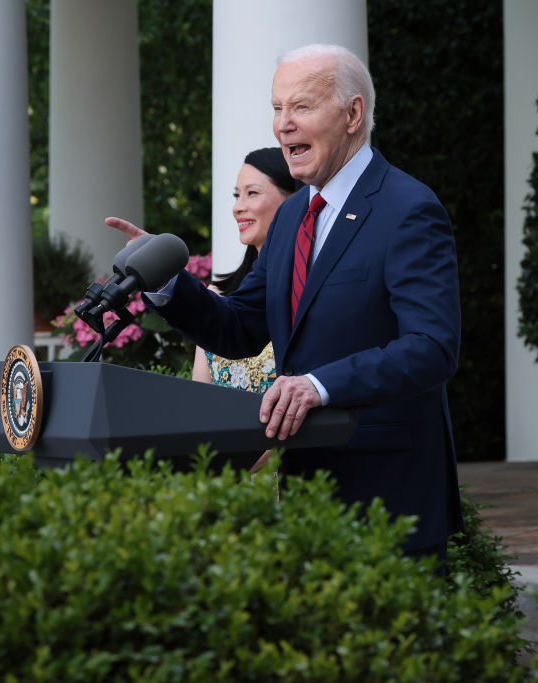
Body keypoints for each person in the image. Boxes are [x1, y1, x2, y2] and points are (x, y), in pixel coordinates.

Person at [107, 44, 463, 560]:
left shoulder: (408, 209)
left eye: (301, 107)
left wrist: (319, 386)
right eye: (277, 108)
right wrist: (164, 279)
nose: (283, 125)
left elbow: (432, 347)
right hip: (305, 496)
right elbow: (239, 328)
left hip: (388, 499)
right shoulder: (294, 215)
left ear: (352, 114)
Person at [190, 147, 298, 397]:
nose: (238, 207)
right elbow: (197, 400)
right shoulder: (217, 295)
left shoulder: (311, 289)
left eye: (252, 193)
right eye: (237, 195)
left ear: (294, 200)